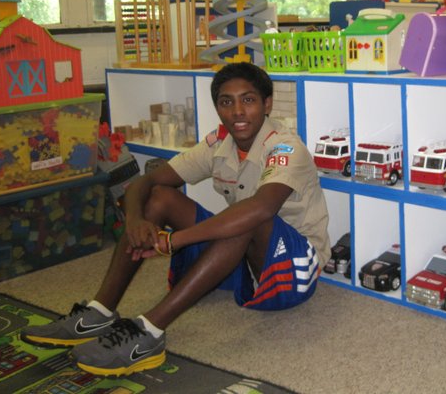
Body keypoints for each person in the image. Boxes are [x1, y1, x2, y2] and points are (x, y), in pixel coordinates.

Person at [21, 62, 331, 377]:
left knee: (247, 216)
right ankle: (98, 312)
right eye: (226, 102)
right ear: (218, 108)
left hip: (292, 271)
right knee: (159, 197)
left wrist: (174, 240)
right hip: (240, 260)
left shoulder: (284, 145)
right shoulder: (218, 142)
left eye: (248, 100)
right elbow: (147, 181)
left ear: (267, 104)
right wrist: (135, 221)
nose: (237, 111)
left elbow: (262, 209)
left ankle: (150, 331)